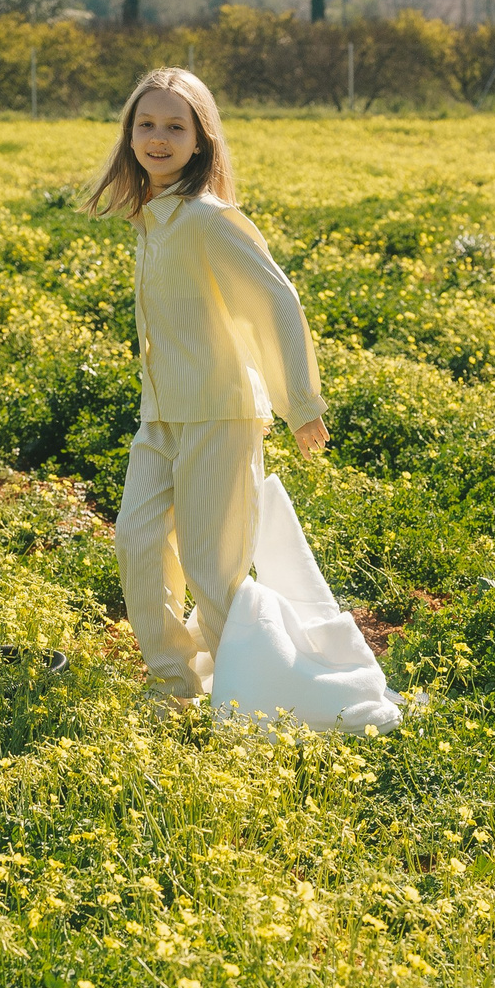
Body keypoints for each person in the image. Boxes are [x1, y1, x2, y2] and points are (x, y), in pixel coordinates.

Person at [87, 68, 327, 703]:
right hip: (161, 418)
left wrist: (300, 402)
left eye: (175, 126)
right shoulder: (153, 220)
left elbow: (277, 299)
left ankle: (249, 702)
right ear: (128, 135)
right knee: (138, 542)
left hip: (219, 417)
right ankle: (174, 683)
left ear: (201, 141)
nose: (158, 138)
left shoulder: (208, 220)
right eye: (146, 124)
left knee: (211, 568)